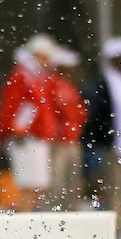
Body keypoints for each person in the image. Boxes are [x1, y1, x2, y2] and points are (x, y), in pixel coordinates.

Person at [82, 37, 121, 222]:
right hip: (115, 146)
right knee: (115, 189)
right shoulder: (103, 84)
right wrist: (103, 140)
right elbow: (97, 114)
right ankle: (117, 228)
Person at [0, 35, 58, 212]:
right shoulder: (23, 77)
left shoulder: (34, 77)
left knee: (37, 184)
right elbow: (19, 104)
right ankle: (25, 221)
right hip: (26, 138)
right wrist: (18, 129)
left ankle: (28, 218)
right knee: (29, 184)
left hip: (35, 137)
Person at [46, 46, 88, 210]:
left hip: (72, 140)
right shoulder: (52, 84)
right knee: (57, 182)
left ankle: (71, 213)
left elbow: (80, 111)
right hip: (58, 142)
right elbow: (49, 110)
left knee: (73, 182)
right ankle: (54, 215)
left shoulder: (69, 86)